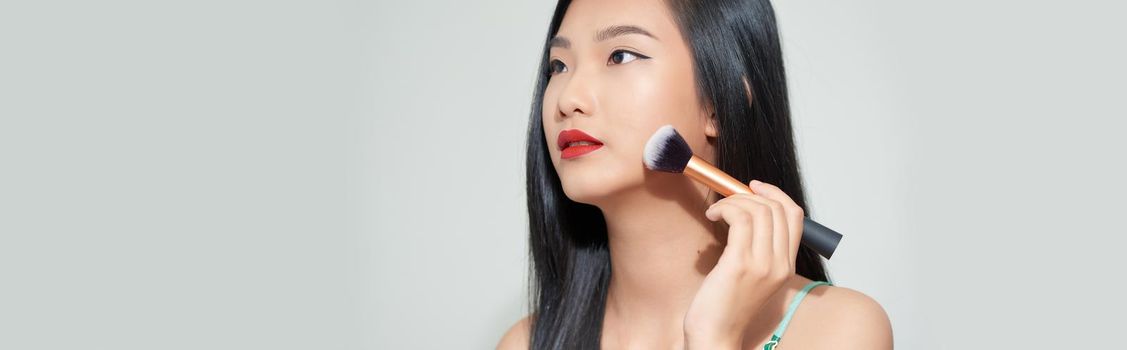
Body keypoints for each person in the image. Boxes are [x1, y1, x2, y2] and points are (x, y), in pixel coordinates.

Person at [498, 0, 893, 348]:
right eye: (559, 65)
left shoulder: (836, 332)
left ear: (718, 104)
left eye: (621, 55)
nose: (568, 99)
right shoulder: (526, 344)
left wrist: (713, 338)